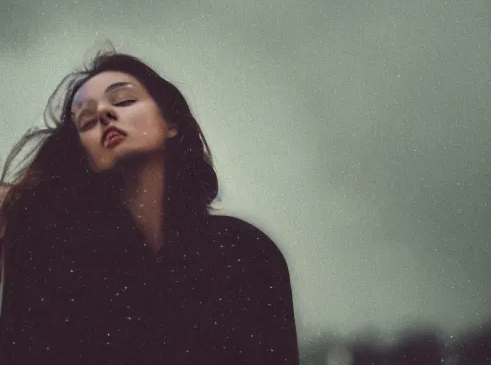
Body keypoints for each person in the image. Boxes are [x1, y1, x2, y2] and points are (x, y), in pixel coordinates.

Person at [0, 44, 300, 364]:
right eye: (86, 120)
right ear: (86, 156)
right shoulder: (58, 266)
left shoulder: (245, 253)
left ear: (170, 122)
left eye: (124, 100)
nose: (104, 114)